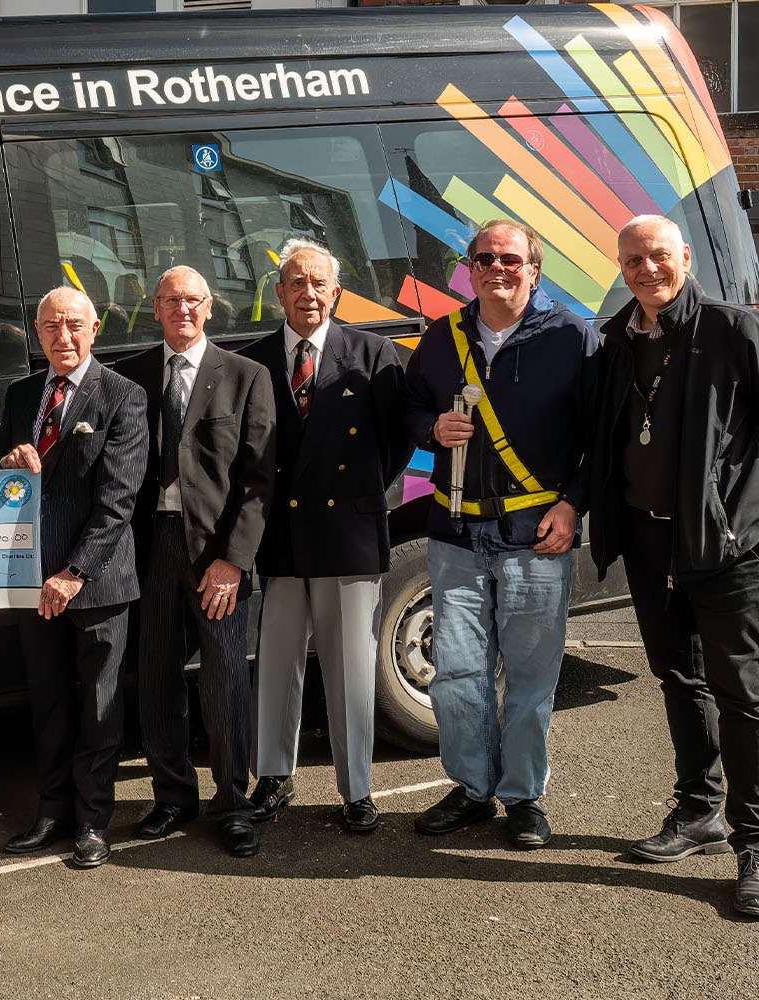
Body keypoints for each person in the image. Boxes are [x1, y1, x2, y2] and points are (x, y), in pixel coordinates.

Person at [400, 219, 595, 849]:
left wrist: (573, 506)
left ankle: (523, 796)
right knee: (456, 672)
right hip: (456, 533)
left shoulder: (571, 336)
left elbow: (602, 436)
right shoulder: (443, 336)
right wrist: (431, 427)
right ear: (469, 270)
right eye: (483, 258)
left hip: (536, 534)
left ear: (534, 268)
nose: (496, 267)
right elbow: (405, 407)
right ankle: (474, 788)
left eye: (510, 258)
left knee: (532, 676)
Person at [588, 214, 759, 915]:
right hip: (649, 541)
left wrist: (741, 519)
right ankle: (698, 813)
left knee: (744, 696)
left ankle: (755, 844)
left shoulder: (731, 328)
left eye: (658, 256)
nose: (646, 269)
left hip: (723, 547)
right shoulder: (616, 340)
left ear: (685, 256)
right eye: (633, 260)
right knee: (677, 677)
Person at [241, 241, 408, 835]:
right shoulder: (254, 360)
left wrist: (362, 493)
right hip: (279, 534)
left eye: (318, 283)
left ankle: (356, 789)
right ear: (278, 292)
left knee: (350, 668)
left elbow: (396, 441)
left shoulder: (373, 352)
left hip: (348, 532)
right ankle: (273, 777)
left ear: (335, 292)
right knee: (277, 664)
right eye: (294, 283)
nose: (307, 293)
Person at [0, 286, 147, 868]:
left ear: (95, 328)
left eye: (74, 324)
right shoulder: (23, 392)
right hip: (30, 580)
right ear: (37, 331)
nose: (64, 336)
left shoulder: (123, 396)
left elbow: (118, 500)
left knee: (99, 706)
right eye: (52, 326)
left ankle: (93, 822)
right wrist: (3, 464)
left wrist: (75, 572)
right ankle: (51, 811)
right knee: (48, 703)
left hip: (95, 583)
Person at [115, 266, 275, 857]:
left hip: (216, 551)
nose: (182, 309)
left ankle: (233, 803)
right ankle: (172, 797)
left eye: (192, 300)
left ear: (210, 308)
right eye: (170, 300)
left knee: (226, 678)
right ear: (153, 308)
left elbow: (258, 483)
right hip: (149, 544)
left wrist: (233, 561)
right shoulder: (129, 376)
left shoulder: (245, 376)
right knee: (155, 676)